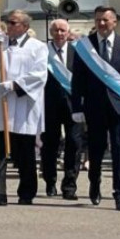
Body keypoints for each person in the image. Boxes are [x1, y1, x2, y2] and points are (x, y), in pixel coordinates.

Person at [71, 6, 120, 212]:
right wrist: (77, 106)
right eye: (98, 20)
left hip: (119, 106)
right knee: (96, 148)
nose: (101, 24)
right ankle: (94, 184)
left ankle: (119, 193)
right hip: (94, 106)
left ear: (114, 22)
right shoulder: (85, 46)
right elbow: (78, 80)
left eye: (106, 20)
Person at [0, 10, 47, 206]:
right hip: (1, 107)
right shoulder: (2, 46)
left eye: (12, 23)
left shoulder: (38, 47)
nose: (8, 26)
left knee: (24, 153)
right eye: (7, 23)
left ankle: (26, 193)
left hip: (22, 107)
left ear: (25, 26)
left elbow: (40, 74)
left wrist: (15, 85)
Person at [42, 18, 81, 200]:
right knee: (50, 144)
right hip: (49, 105)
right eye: (56, 31)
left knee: (74, 143)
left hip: (73, 106)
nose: (59, 34)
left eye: (62, 31)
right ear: (51, 33)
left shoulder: (77, 52)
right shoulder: (43, 52)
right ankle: (50, 182)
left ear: (68, 32)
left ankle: (69, 185)